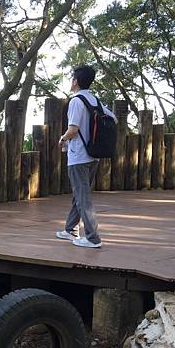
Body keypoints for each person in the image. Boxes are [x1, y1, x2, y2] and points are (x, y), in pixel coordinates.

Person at [56, 65, 117, 248]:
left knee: (82, 196)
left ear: (75, 81)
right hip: (93, 155)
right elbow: (113, 118)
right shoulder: (94, 100)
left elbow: (73, 129)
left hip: (78, 156)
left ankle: (92, 237)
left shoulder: (76, 101)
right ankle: (70, 229)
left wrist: (62, 139)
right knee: (80, 193)